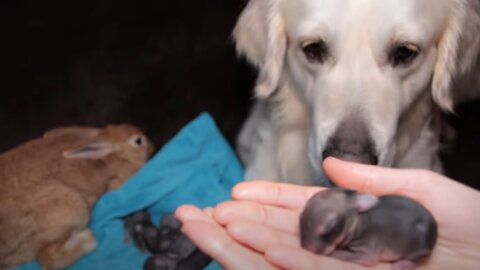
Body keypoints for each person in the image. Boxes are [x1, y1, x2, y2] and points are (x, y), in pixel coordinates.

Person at [175, 157, 480, 269]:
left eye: (326, 232)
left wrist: (333, 257)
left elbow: (367, 257)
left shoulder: (367, 230)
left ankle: (414, 258)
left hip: (418, 235)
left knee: (415, 242)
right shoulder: (356, 208)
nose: (311, 245)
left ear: (362, 206)